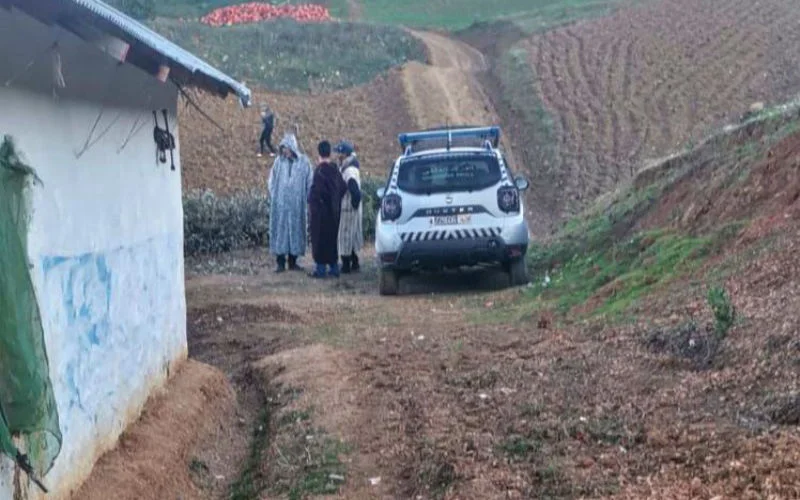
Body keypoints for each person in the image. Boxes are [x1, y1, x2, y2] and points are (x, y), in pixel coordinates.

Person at [268, 133, 312, 273]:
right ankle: (280, 263)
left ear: (292, 147)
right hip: (280, 205)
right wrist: (275, 195)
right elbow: (272, 180)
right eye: (282, 148)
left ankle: (293, 261)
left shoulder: (304, 163)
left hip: (296, 206)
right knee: (280, 232)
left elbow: (310, 182)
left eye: (286, 148)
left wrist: (307, 198)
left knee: (295, 231)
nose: (284, 151)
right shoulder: (278, 162)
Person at [307, 141, 348, 278]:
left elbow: (315, 193)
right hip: (334, 213)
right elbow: (343, 187)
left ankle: (320, 269)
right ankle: (334, 267)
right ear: (329, 153)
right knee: (332, 240)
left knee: (319, 241)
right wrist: (335, 201)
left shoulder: (319, 172)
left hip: (321, 214)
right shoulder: (335, 170)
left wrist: (314, 205)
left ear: (319, 153)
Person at [334, 141, 363, 274]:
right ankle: (354, 262)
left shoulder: (349, 170)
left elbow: (354, 190)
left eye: (339, 153)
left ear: (345, 154)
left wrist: (353, 205)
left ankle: (346, 265)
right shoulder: (350, 166)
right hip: (351, 207)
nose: (337, 155)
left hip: (349, 207)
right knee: (351, 236)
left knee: (345, 236)